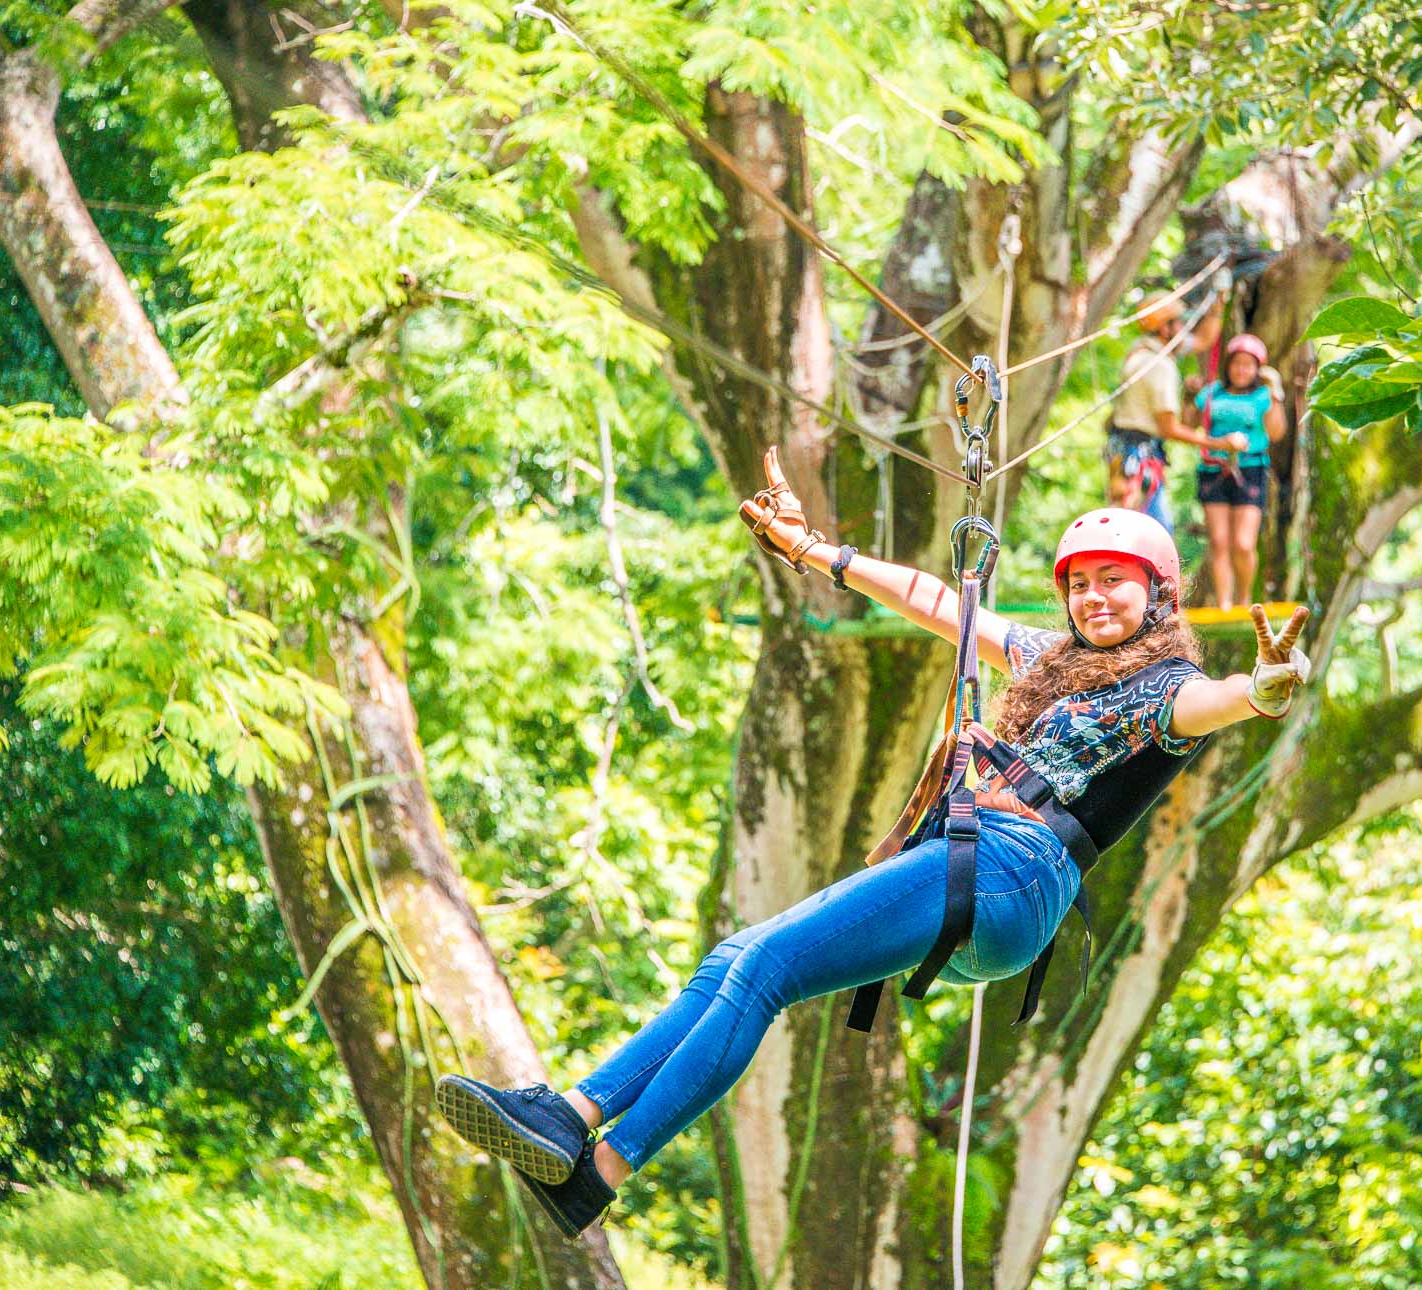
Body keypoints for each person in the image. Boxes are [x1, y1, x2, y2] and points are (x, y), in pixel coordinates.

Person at [434, 450, 1312, 1238]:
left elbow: (1217, 704)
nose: (1093, 599)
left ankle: (606, 1162)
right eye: (1079, 584)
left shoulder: (1169, 686)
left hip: (1012, 869)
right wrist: (815, 550)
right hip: (980, 864)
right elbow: (941, 603)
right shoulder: (1051, 660)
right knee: (732, 958)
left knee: (764, 968)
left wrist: (1264, 688)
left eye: (1113, 583)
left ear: (1157, 593)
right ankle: (574, 1126)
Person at [1105, 297, 1250, 532]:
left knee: (1137, 529)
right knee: (1154, 532)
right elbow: (1169, 428)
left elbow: (1204, 340)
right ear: (1165, 328)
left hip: (1126, 453)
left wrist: (1217, 303)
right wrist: (1220, 443)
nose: (1184, 328)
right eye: (1180, 323)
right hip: (1139, 457)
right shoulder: (1159, 365)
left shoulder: (1140, 351)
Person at [1193, 333, 1287, 611]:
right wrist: (1190, 394)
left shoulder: (1263, 395)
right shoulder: (1211, 393)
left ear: (1258, 368)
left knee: (1243, 543)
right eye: (1237, 363)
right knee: (1219, 541)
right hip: (1214, 469)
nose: (1242, 370)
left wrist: (1276, 394)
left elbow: (1277, 432)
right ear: (1228, 365)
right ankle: (1223, 602)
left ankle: (1244, 598)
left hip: (1251, 469)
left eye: (1248, 364)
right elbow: (1190, 422)